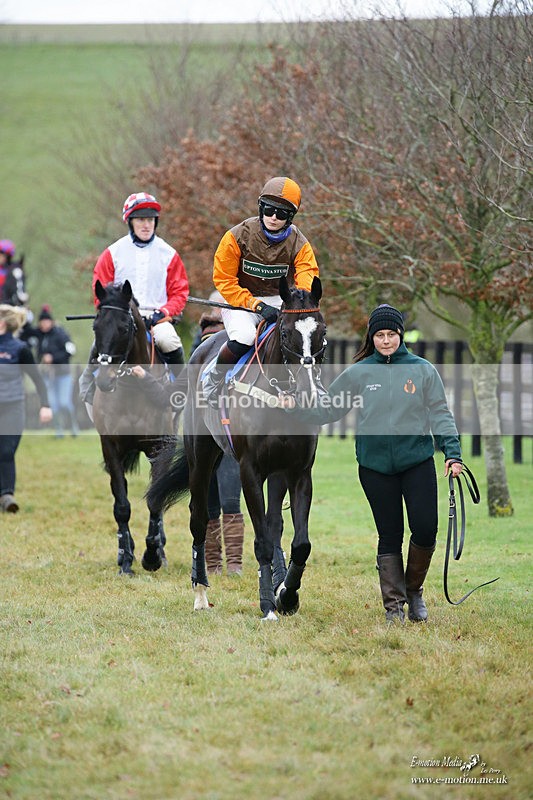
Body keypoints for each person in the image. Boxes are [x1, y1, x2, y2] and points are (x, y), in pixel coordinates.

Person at [283, 304, 463, 624]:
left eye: (391, 334)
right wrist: (295, 407)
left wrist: (452, 453)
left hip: (417, 462)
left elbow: (440, 413)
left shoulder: (423, 370)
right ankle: (394, 606)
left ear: (400, 335)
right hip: (375, 467)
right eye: (380, 335)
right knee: (389, 534)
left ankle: (414, 591)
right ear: (372, 338)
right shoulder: (359, 372)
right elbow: (328, 409)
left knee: (425, 529)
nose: (386, 340)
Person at [203, 176, 320, 406]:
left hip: (281, 300)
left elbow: (306, 280)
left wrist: (295, 305)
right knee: (245, 337)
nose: (274, 217)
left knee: (304, 334)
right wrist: (256, 306)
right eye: (269, 210)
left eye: (282, 213)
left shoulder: (300, 244)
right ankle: (214, 378)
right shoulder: (236, 236)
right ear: (260, 208)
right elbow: (224, 280)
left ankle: (312, 385)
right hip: (240, 301)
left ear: (290, 217)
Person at [80, 191, 189, 405]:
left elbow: (179, 292)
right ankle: (87, 387)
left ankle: (181, 391)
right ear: (130, 221)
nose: (146, 225)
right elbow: (100, 291)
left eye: (150, 220)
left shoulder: (169, 254)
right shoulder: (112, 253)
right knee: (101, 342)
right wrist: (111, 315)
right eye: (140, 220)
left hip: (157, 318)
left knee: (168, 340)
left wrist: (164, 312)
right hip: (122, 316)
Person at [191, 292, 245, 575]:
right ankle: (212, 563)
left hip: (232, 425)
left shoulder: (244, 340)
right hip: (205, 423)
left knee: (230, 499)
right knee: (210, 498)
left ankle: (234, 562)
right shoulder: (202, 344)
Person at [0, 304, 52, 512]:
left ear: (3, 323)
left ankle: (7, 495)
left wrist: (45, 405)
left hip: (12, 407)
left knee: (6, 451)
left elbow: (37, 379)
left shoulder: (20, 349)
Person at [36, 305, 79, 437]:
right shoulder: (41, 336)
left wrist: (53, 358)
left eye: (46, 322)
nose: (44, 324)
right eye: (42, 322)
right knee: (52, 405)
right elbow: (38, 353)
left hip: (63, 374)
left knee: (64, 403)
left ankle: (73, 426)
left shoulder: (61, 334)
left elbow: (70, 351)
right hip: (48, 375)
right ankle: (58, 430)